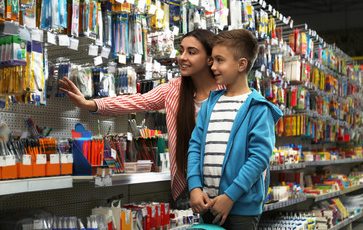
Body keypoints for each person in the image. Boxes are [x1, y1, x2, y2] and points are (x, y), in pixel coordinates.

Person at [58, 29, 225, 202]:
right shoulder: (174, 90)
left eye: (192, 52)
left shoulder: (227, 92)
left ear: (209, 59)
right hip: (191, 185)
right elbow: (137, 101)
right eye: (181, 50)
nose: (182, 57)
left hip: (226, 182)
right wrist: (90, 104)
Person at [187, 29, 283, 230]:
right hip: (208, 205)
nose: (212, 65)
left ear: (241, 64)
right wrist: (194, 186)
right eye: (212, 60)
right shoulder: (209, 104)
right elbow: (195, 146)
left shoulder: (258, 108)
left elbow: (259, 158)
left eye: (219, 60)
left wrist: (231, 196)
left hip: (241, 209)